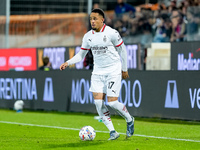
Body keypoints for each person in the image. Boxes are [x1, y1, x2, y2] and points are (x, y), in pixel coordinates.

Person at [60, 8, 134, 140]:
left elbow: (123, 50)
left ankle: (129, 119)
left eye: (95, 19)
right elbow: (81, 54)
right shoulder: (88, 36)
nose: (92, 21)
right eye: (90, 19)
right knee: (98, 103)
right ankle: (113, 132)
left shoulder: (112, 33)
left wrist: (124, 69)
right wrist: (68, 62)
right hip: (98, 72)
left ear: (102, 20)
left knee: (112, 102)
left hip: (113, 69)